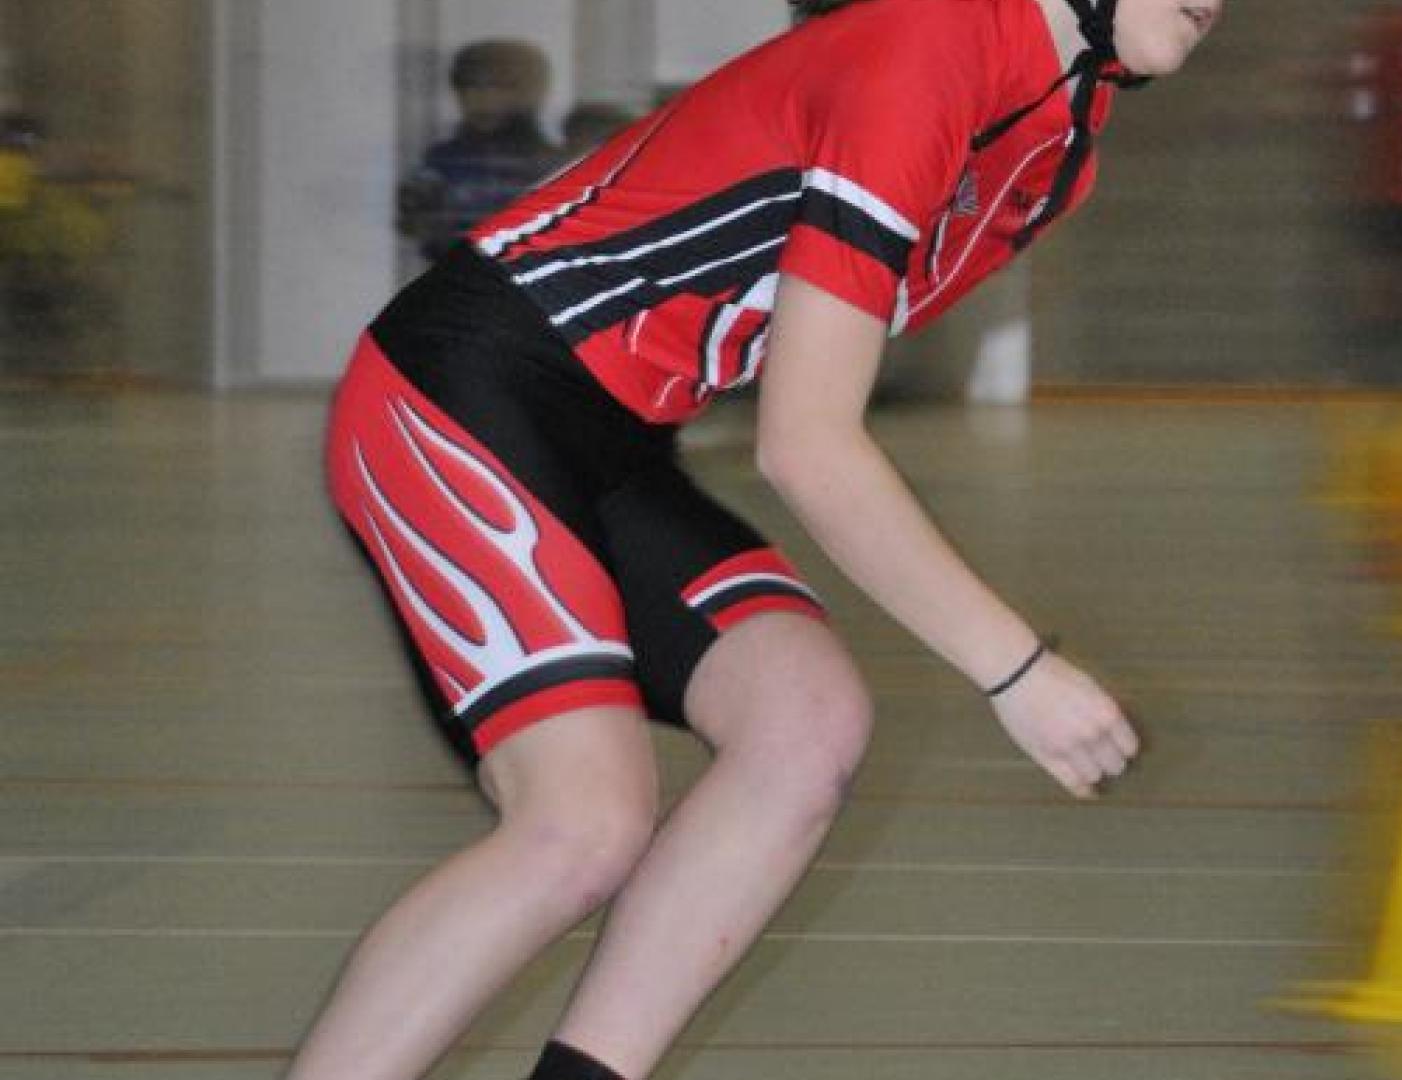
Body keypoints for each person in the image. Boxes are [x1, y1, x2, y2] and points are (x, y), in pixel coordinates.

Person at [303, 1, 1223, 1078]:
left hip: (611, 432)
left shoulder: (1058, 147)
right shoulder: (927, 49)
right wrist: (1015, 671)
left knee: (806, 721)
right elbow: (807, 445)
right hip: (464, 390)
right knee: (580, 824)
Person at [398, 40, 559, 262]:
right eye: (470, 87)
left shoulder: (553, 165)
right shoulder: (442, 161)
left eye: (499, 87)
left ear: (529, 94)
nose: (482, 99)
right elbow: (415, 225)